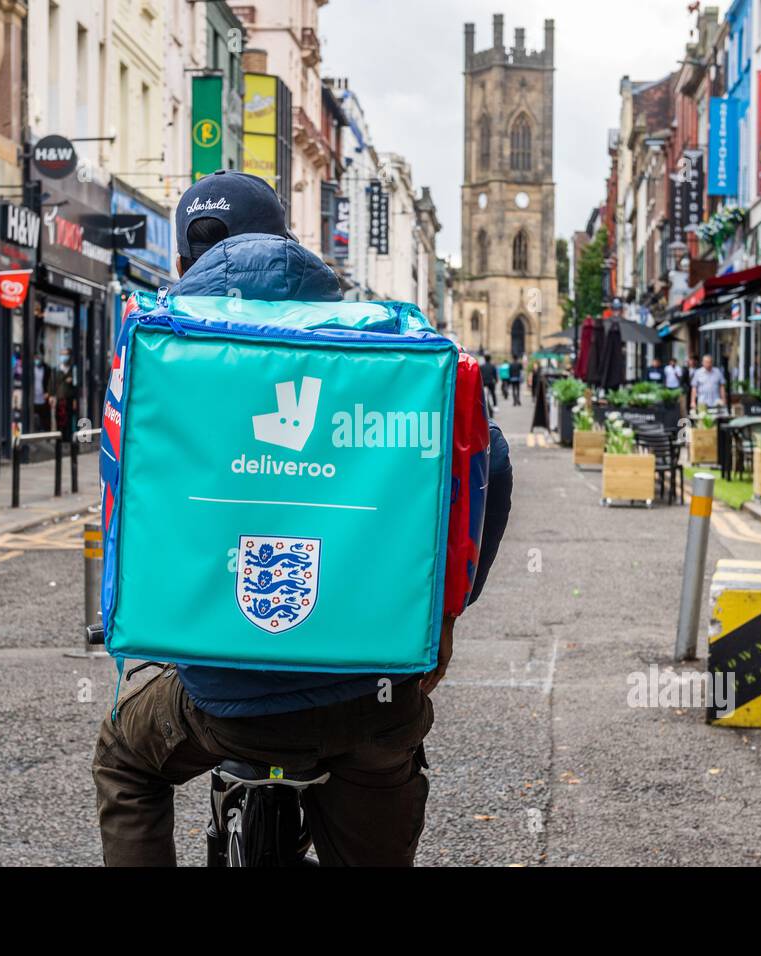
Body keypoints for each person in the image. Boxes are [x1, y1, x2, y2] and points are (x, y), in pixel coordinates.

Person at [91, 169, 513, 866]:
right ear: (287, 245)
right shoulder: (387, 342)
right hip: (375, 695)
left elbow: (124, 488)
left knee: (124, 761)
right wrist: (445, 616)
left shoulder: (157, 353)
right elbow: (487, 460)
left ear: (183, 261)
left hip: (219, 700)